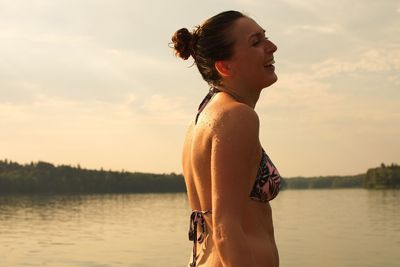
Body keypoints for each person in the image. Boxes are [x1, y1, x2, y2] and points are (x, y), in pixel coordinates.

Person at [171, 10, 281, 267]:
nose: (272, 47)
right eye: (256, 42)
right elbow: (225, 229)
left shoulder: (199, 120)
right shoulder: (237, 116)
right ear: (225, 66)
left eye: (266, 38)